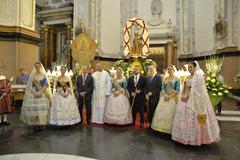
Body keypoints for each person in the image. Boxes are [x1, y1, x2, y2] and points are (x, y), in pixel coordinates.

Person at [171, 61, 221, 145]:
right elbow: (185, 88)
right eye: (188, 67)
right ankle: (184, 137)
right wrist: (183, 96)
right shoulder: (187, 77)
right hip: (186, 99)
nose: (189, 68)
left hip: (197, 101)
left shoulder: (199, 77)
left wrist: (190, 95)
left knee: (196, 118)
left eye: (191, 67)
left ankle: (198, 139)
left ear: (195, 68)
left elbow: (200, 91)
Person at [20, 62, 52, 130]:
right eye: (36, 66)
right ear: (35, 67)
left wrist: (41, 92)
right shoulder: (33, 75)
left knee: (41, 109)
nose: (37, 67)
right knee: (35, 109)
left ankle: (42, 123)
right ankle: (35, 123)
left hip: (42, 93)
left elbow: (46, 85)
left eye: (38, 66)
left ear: (40, 67)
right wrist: (34, 92)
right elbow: (30, 85)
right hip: (33, 93)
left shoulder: (43, 75)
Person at [151, 65, 180, 134]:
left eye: (171, 69)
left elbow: (177, 90)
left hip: (172, 98)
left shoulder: (176, 79)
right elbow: (163, 88)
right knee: (161, 113)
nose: (169, 70)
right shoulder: (165, 78)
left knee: (170, 113)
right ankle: (160, 129)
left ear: (173, 70)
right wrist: (164, 95)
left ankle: (169, 129)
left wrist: (169, 97)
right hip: (164, 97)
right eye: (168, 69)